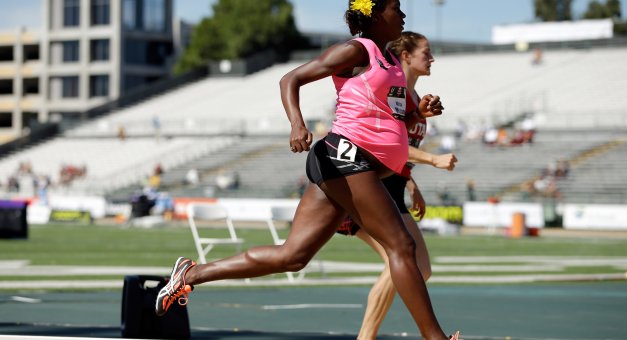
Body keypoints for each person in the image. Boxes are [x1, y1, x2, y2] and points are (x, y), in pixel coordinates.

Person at [154, 1, 459, 339]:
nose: (402, 15)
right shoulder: (357, 50)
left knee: (293, 256)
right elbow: (292, 78)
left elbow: (390, 120)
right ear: (374, 14)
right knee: (402, 247)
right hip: (344, 157)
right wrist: (296, 124)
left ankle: (190, 276)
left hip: (351, 166)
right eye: (395, 8)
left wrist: (419, 115)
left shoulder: (391, 63)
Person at [335, 31, 457, 339]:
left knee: (420, 267)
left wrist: (411, 182)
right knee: (400, 260)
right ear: (406, 55)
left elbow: (398, 145)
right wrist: (433, 159)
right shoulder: (392, 91)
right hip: (365, 186)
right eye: (425, 52)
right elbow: (381, 144)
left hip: (393, 189)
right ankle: (366, 337)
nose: (431, 58)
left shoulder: (414, 99)